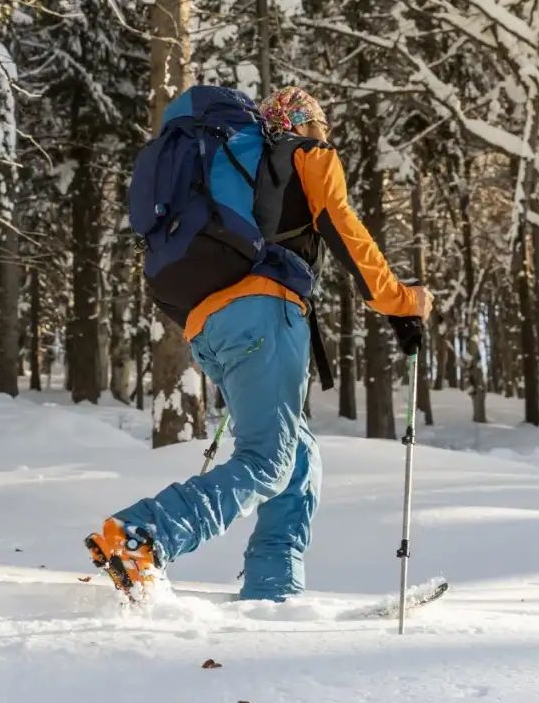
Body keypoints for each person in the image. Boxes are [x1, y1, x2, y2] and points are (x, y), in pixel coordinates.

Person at [84, 86, 432, 601]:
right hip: (263, 313)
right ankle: (142, 535)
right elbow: (346, 231)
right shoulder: (304, 156)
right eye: (320, 127)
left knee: (296, 456)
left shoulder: (231, 178)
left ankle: (274, 590)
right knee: (268, 459)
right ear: (305, 125)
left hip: (209, 325)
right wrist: (402, 301)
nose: (324, 136)